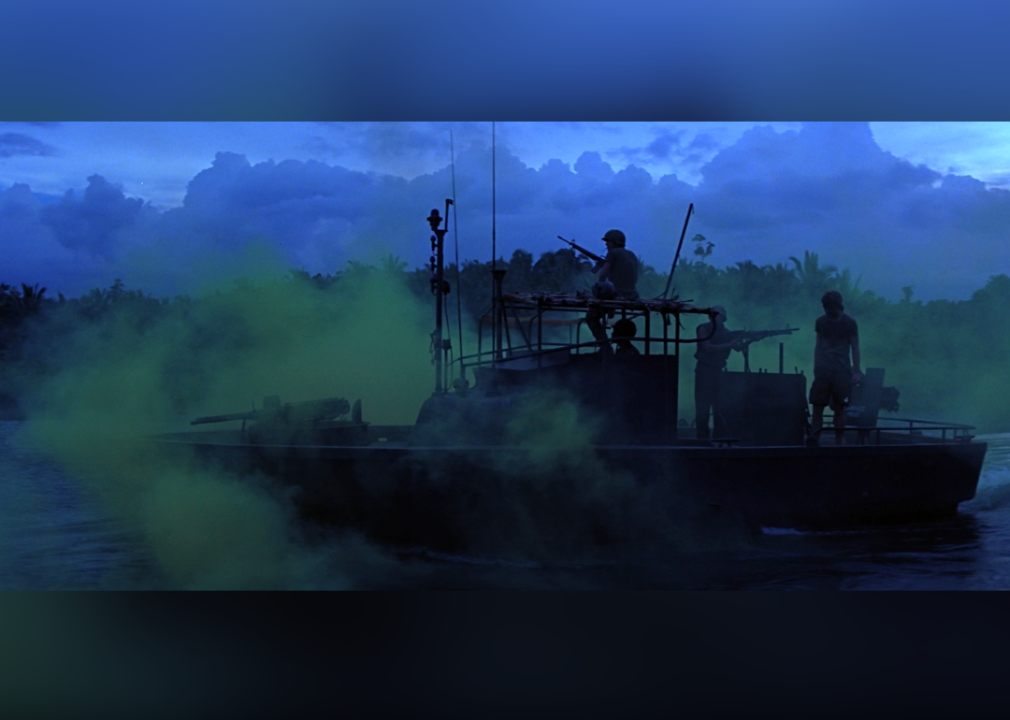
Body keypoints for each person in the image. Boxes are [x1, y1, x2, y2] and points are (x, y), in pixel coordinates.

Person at [808, 290, 861, 446]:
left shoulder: (850, 323)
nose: (827, 310)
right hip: (823, 370)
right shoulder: (821, 322)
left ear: (837, 306)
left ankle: (838, 443)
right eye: (825, 307)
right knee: (817, 407)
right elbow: (818, 346)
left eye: (829, 307)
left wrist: (856, 371)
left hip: (841, 370)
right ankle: (815, 440)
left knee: (840, 408)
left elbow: (855, 348)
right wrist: (816, 366)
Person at [585, 229, 639, 354]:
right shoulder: (631, 254)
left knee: (591, 318)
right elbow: (635, 278)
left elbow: (602, 274)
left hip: (617, 295)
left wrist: (601, 289)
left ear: (615, 242)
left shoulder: (613, 253)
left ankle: (605, 348)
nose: (606, 244)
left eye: (608, 241)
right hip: (631, 294)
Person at [694, 306, 744, 440]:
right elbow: (708, 347)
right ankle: (702, 437)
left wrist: (748, 339)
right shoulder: (703, 328)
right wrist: (730, 343)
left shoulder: (727, 333)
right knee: (703, 405)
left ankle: (718, 435)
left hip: (717, 371)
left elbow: (738, 348)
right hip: (704, 370)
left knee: (719, 405)